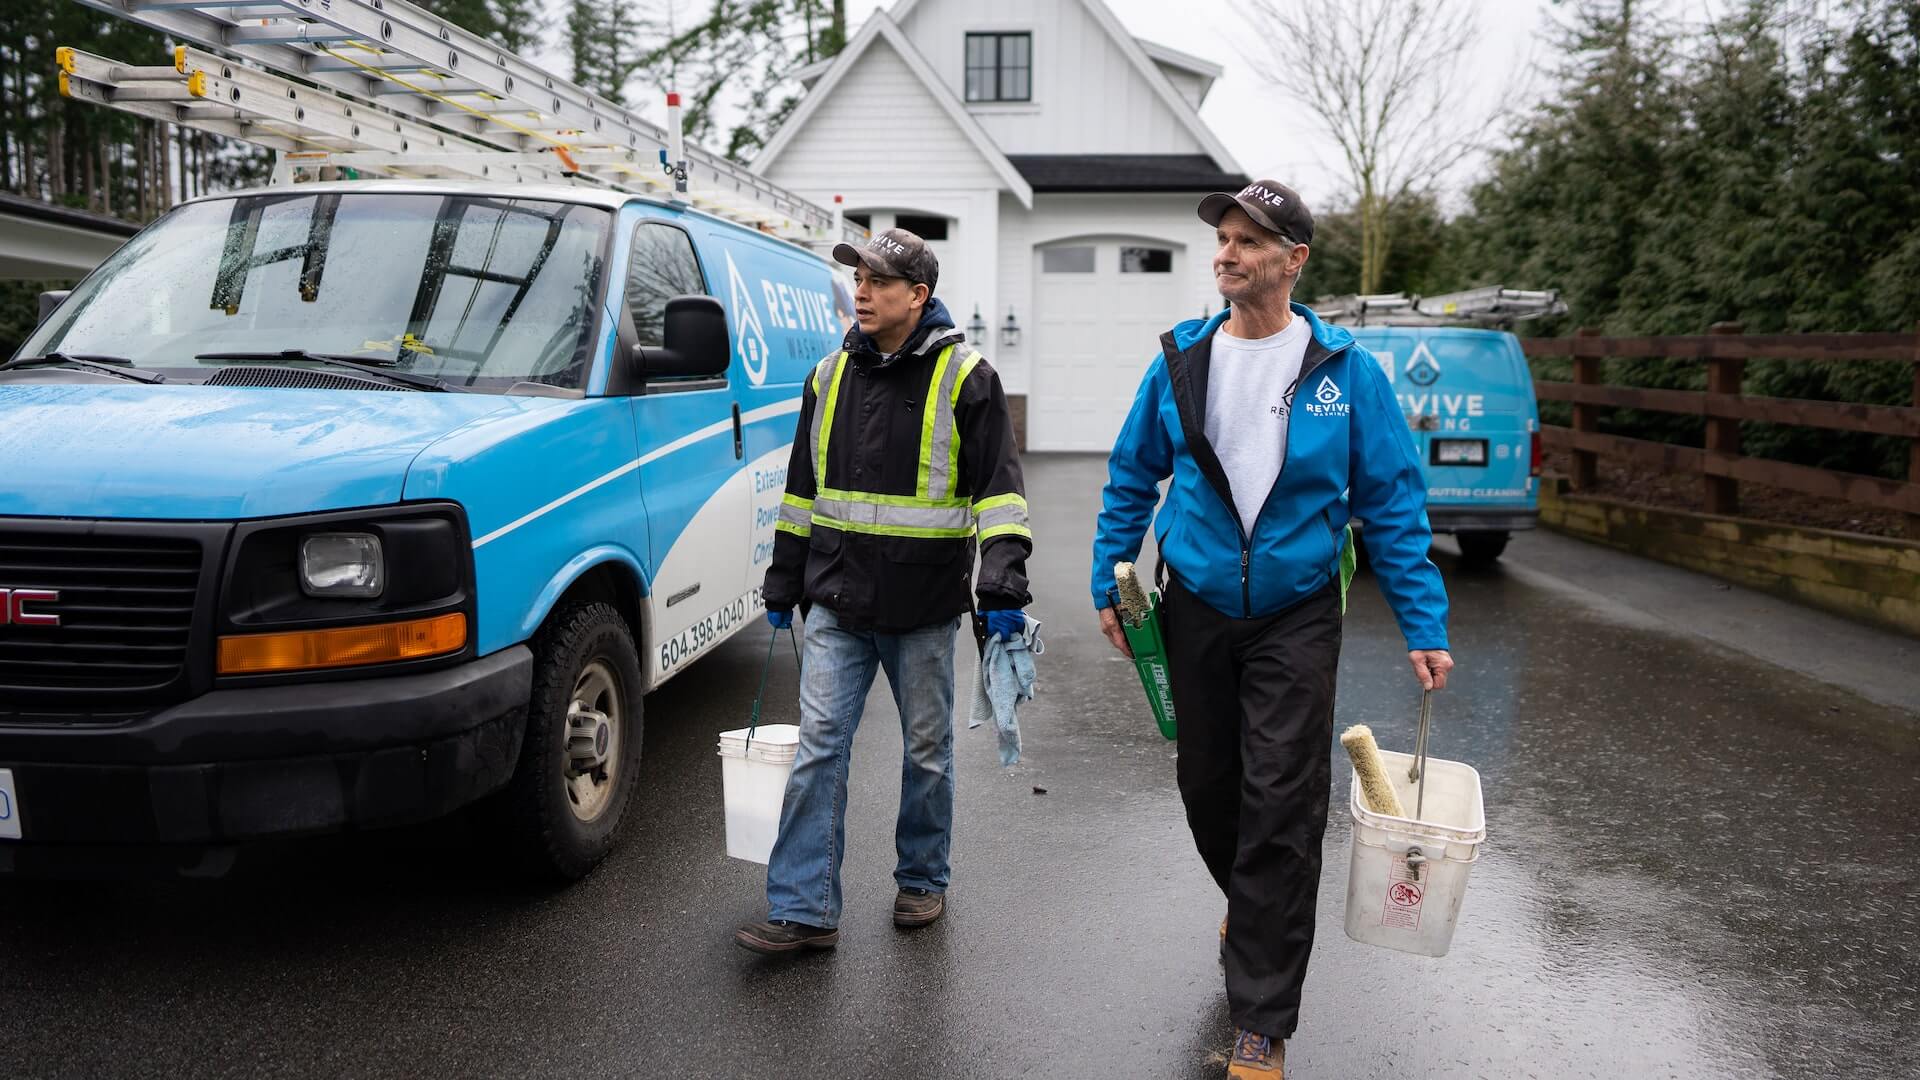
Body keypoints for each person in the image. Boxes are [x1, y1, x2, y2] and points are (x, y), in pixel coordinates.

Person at [1089, 181, 1454, 1077]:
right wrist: (1112, 575)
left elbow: (1394, 506)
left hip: (1295, 614)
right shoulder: (1180, 360)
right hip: (1198, 603)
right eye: (1223, 236)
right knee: (1208, 788)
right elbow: (1133, 473)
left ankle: (1262, 1018)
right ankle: (1250, 907)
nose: (1227, 251)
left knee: (1283, 808)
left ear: (1293, 260)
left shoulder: (1346, 372)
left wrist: (1423, 621)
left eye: (1251, 240)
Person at [735, 228, 1033, 954]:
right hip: (837, 600)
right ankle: (804, 907)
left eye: (878, 280)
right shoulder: (829, 377)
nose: (861, 291)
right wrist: (783, 578)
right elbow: (802, 493)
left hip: (924, 607)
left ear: (918, 295)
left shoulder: (967, 378)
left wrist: (1001, 586)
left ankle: (923, 879)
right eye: (858, 279)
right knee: (819, 749)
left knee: (926, 754)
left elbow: (999, 493)